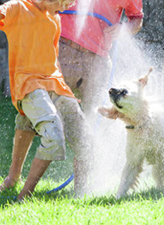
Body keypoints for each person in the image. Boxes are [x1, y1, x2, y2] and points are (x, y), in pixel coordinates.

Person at [0, 0, 143, 195]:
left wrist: (124, 29)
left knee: (87, 125)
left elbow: (137, 20)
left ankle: (80, 191)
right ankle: (12, 177)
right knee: (30, 113)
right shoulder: (43, 13)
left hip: (98, 60)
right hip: (63, 48)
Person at [0, 0, 94, 200]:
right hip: (27, 82)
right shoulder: (18, 7)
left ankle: (81, 193)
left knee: (87, 141)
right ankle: (23, 196)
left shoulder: (55, 17)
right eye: (64, 3)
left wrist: (64, 92)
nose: (66, 8)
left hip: (54, 83)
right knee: (53, 136)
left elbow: (53, 57)